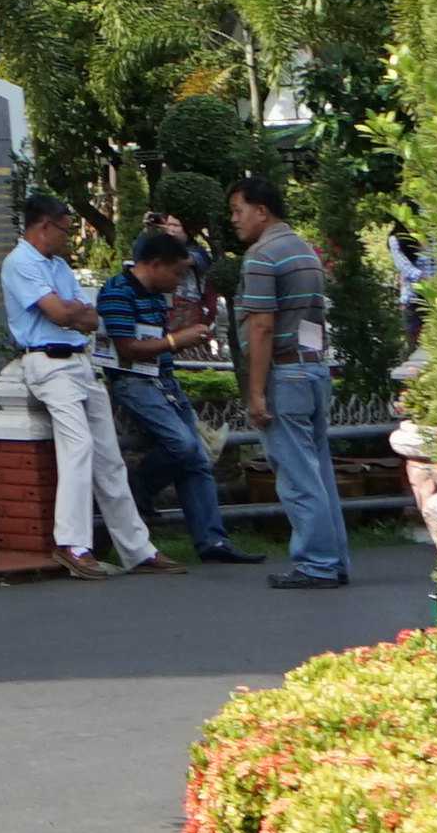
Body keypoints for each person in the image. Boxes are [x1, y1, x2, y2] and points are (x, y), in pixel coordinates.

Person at [0, 196, 155, 572]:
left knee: (109, 458)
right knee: (79, 447)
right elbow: (59, 312)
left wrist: (72, 313)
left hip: (79, 361)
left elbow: (87, 316)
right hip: (47, 362)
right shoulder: (20, 262)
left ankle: (138, 549)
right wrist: (71, 313)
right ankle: (71, 543)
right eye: (65, 230)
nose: (68, 238)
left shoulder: (57, 266)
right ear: (43, 226)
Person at [227, 167, 351, 589]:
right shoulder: (304, 251)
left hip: (286, 373)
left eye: (238, 210)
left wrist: (257, 392)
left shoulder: (262, 256)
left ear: (261, 211)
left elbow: (261, 326)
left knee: (297, 477)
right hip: (314, 369)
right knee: (318, 473)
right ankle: (334, 560)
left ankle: (316, 563)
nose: (234, 219)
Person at [99, 219, 238, 568]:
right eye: (175, 274)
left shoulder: (158, 297)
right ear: (155, 264)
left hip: (163, 380)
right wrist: (178, 340)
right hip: (132, 380)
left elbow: (155, 344)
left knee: (198, 458)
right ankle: (140, 487)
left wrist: (175, 342)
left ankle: (213, 540)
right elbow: (128, 348)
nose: (178, 283)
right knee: (184, 444)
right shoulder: (117, 291)